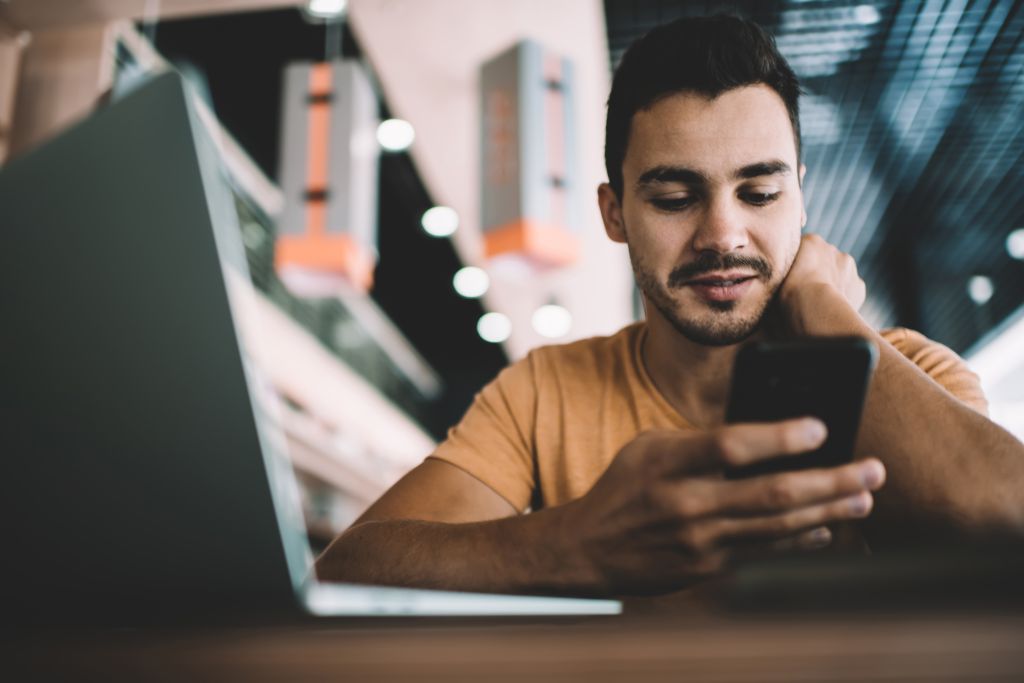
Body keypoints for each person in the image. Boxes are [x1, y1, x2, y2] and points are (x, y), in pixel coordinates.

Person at [315, 15, 1024, 596]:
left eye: (760, 193)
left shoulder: (912, 368)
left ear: (801, 197)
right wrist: (572, 544)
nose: (722, 235)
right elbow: (348, 570)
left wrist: (821, 309)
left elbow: (1009, 527)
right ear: (615, 212)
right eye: (674, 197)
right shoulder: (544, 392)